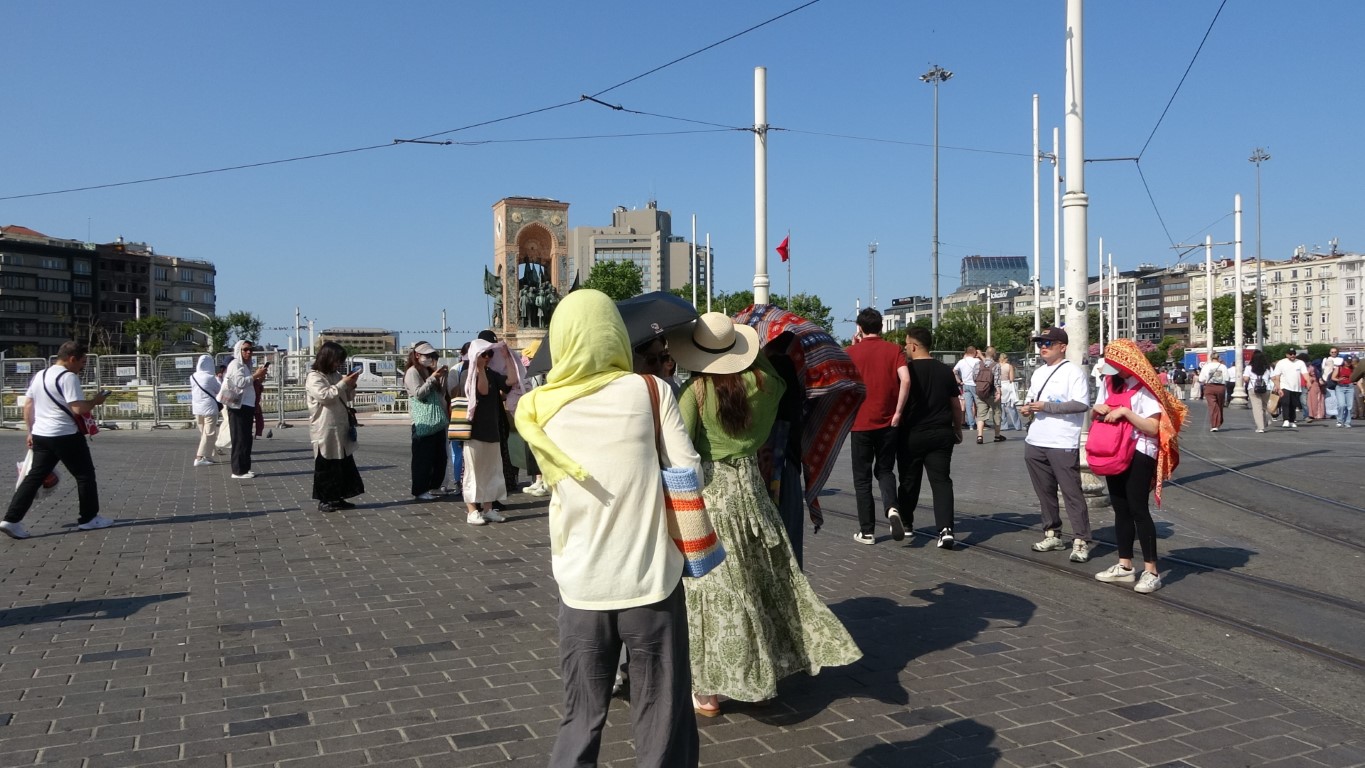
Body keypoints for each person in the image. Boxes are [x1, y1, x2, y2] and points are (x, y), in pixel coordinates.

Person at [515, 289, 701, 767]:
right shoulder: (650, 390)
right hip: (650, 582)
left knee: (580, 716)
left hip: (580, 586)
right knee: (661, 714)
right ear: (615, 334)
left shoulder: (538, 408)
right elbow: (689, 472)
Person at [670, 312, 861, 716]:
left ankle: (710, 691)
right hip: (753, 488)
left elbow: (680, 453)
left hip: (713, 495)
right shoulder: (768, 384)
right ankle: (772, 663)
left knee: (716, 590)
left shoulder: (694, 393)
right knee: (763, 577)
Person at [1092, 339, 1188, 595]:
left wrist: (1125, 412)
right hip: (1114, 450)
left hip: (1139, 451)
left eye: (1117, 368)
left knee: (1137, 509)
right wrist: (1097, 409)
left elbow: (1153, 427)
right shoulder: (1109, 381)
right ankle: (1124, 565)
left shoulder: (1146, 387)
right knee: (1120, 507)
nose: (1114, 374)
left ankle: (1151, 570)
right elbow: (1098, 410)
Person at [2, 341, 113, 539]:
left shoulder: (40, 375)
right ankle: (89, 518)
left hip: (41, 435)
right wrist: (96, 401)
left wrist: (30, 431)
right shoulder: (68, 377)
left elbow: (28, 405)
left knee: (34, 478)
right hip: (65, 435)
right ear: (71, 359)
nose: (82, 366)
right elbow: (78, 408)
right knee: (85, 475)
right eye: (82, 362)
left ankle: (11, 519)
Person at [1018, 328, 1093, 562]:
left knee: (1071, 492)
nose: (1043, 346)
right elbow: (1032, 400)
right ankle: (1052, 532)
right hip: (1036, 440)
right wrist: (1027, 408)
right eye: (1040, 342)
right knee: (1045, 491)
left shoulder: (1073, 372)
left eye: (1048, 342)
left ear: (1063, 346)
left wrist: (1046, 406)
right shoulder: (1039, 373)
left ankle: (1081, 539)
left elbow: (1081, 404)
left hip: (1062, 441)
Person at [843, 308, 910, 545]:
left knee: (861, 478)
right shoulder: (894, 350)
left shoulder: (850, 353)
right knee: (885, 470)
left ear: (860, 328)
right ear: (882, 327)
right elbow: (906, 379)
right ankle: (892, 508)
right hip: (888, 421)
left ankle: (867, 531)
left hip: (860, 422)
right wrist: (898, 412)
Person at [895, 326, 963, 549]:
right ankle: (946, 530)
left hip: (912, 433)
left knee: (908, 479)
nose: (905, 348)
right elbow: (955, 404)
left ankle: (906, 522)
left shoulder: (907, 371)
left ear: (913, 346)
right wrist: (958, 428)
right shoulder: (945, 371)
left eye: (906, 344)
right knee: (942, 481)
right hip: (941, 433)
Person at [306, 341, 365, 512]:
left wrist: (351, 384)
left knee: (342, 463)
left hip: (340, 425)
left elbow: (347, 395)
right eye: (337, 360)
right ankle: (325, 499)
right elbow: (325, 396)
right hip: (324, 427)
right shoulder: (314, 376)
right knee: (326, 464)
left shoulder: (336, 375)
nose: (338, 364)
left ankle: (338, 497)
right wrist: (343, 383)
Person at [463, 338, 511, 525]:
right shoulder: (469, 373)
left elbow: (512, 381)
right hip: (474, 432)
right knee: (473, 472)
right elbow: (482, 391)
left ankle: (488, 508)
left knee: (491, 471)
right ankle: (472, 511)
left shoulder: (492, 373)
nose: (488, 358)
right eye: (484, 354)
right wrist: (480, 368)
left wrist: (507, 358)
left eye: (490, 354)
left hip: (492, 430)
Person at [404, 341, 450, 501]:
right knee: (423, 458)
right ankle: (420, 489)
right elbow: (418, 394)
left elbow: (441, 393)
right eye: (427, 355)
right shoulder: (412, 372)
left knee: (439, 457)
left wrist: (441, 376)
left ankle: (434, 486)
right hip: (422, 421)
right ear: (417, 355)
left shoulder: (427, 370)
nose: (430, 358)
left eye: (432, 355)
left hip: (436, 420)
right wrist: (432, 378)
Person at [220, 340, 270, 479]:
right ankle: (237, 470)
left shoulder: (245, 365)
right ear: (239, 351)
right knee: (240, 438)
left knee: (246, 438)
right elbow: (240, 383)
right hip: (238, 406)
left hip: (246, 405)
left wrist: (258, 378)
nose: (248, 352)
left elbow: (248, 383)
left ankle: (244, 468)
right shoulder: (236, 364)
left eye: (250, 350)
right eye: (245, 349)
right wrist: (255, 375)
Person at [189, 354, 221, 467]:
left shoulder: (192, 376)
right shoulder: (210, 377)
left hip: (197, 408)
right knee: (209, 433)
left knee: (204, 432)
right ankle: (200, 457)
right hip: (209, 408)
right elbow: (219, 389)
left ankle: (208, 455)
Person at [974, 345, 1004, 444]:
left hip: (980, 393)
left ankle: (979, 436)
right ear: (994, 355)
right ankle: (997, 435)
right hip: (992, 393)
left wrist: (981, 387)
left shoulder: (978, 364)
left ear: (985, 354)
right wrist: (998, 392)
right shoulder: (996, 365)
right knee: (996, 413)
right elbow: (997, 381)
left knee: (981, 414)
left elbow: (974, 377)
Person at [1272, 349, 1309, 428]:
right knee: (1285, 403)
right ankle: (1286, 420)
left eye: (1294, 354)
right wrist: (1278, 387)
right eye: (1290, 354)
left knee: (1293, 404)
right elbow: (1277, 376)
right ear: (1287, 355)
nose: (1293, 355)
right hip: (1284, 386)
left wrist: (1308, 381)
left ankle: (1292, 420)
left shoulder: (1300, 363)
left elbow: (1305, 373)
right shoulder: (1281, 363)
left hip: (1296, 387)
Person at [1243, 350, 1274, 433]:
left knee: (1257, 408)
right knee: (1264, 406)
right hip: (1266, 388)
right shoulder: (1268, 367)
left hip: (1253, 388)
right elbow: (1273, 378)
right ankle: (1267, 420)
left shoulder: (1249, 367)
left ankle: (1260, 427)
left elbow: (1246, 379)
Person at [953, 346, 981, 428]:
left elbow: (954, 371)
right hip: (975, 384)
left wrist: (959, 380)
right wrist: (980, 356)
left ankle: (971, 424)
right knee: (978, 404)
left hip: (965, 384)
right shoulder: (977, 361)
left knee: (968, 405)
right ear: (974, 352)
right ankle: (979, 422)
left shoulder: (961, 361)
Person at [1198, 355, 1228, 432]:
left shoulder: (1206, 366)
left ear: (1211, 358)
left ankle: (1214, 424)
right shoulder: (1223, 366)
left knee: (1212, 406)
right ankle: (1219, 421)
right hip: (1220, 387)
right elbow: (1227, 378)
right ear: (1219, 358)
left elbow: (1201, 379)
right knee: (1220, 405)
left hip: (1209, 387)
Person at [998, 353, 1022, 431]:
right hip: (1007, 386)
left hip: (999, 386)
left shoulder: (997, 366)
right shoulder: (1009, 366)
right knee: (1011, 407)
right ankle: (1017, 425)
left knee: (1001, 408)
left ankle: (1003, 426)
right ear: (1006, 358)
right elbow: (1011, 378)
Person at [1332, 354, 1354, 428]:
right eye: (1347, 361)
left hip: (1350, 387)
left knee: (1349, 406)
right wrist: (1338, 379)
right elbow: (1333, 377)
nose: (1348, 363)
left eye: (1350, 361)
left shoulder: (1352, 368)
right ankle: (1339, 420)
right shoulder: (1339, 368)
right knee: (1341, 405)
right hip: (1340, 387)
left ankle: (1347, 422)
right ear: (1344, 361)